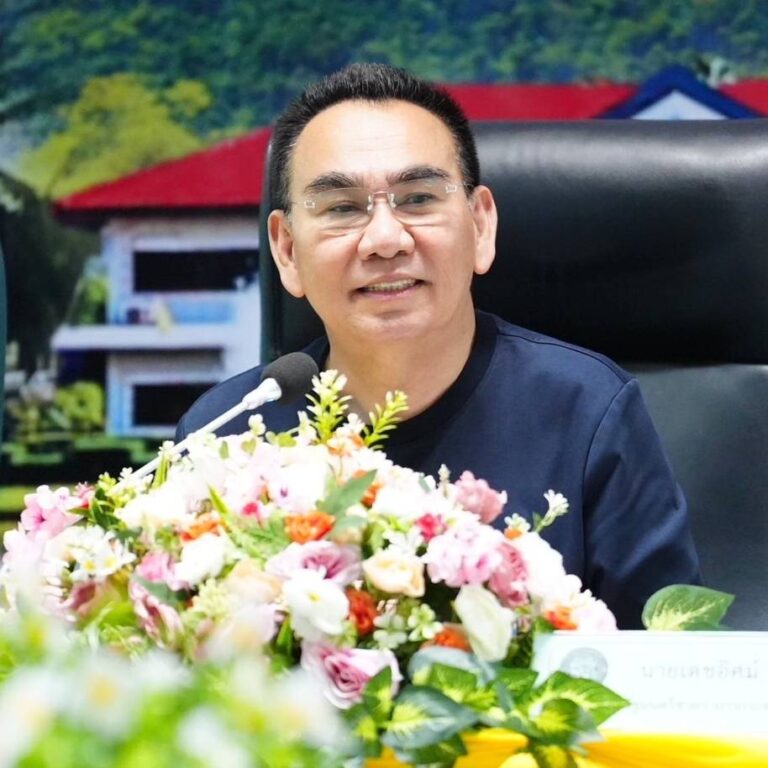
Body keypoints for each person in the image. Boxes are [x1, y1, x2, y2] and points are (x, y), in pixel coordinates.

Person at [177, 63, 701, 628]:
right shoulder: (222, 436)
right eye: (342, 208)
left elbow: (670, 655)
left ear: (480, 226)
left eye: (418, 198)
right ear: (285, 251)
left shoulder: (588, 415)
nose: (385, 240)